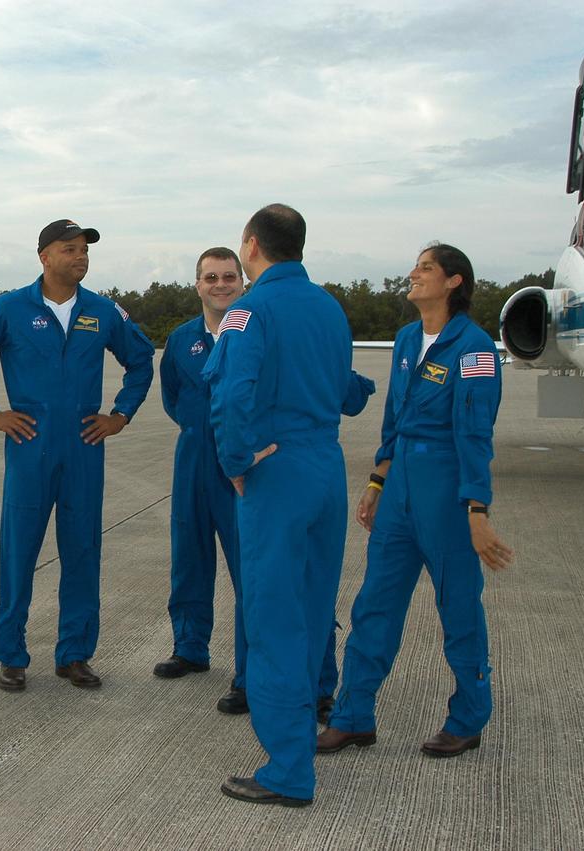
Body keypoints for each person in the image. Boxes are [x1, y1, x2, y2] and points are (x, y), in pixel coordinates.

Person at [318, 243, 513, 761]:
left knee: (458, 610)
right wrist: (378, 481)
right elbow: (394, 420)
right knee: (374, 604)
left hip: (447, 489)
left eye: (426, 268)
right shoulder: (407, 340)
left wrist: (477, 511)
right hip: (401, 482)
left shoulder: (473, 350)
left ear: (454, 281)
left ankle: (468, 718)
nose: (414, 274)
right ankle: (353, 716)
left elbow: (475, 434)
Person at [0, 219, 155, 691]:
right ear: (43, 255)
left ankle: (75, 653)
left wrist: (119, 415)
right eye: (69, 249)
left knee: (82, 549)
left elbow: (141, 361)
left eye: (84, 250)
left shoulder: (103, 312)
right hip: (29, 444)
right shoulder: (8, 308)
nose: (80, 257)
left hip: (84, 444)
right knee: (18, 550)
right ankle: (11, 654)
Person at [204, 204, 357, 807]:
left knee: (271, 617)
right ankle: (304, 729)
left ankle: (289, 770)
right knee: (314, 609)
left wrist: (237, 462)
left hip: (277, 470)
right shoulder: (329, 306)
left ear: (251, 245)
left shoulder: (250, 309)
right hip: (326, 468)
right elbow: (346, 389)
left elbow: (232, 393)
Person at [155, 248, 246, 709]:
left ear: (243, 281)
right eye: (210, 277)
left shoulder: (254, 333)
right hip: (193, 458)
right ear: (197, 284)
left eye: (229, 276)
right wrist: (197, 429)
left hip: (240, 466)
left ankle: (249, 669)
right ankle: (190, 647)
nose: (220, 284)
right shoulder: (181, 339)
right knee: (188, 557)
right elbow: (172, 396)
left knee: (247, 566)